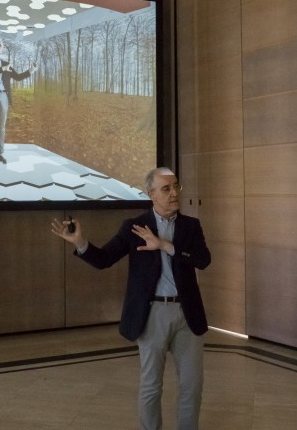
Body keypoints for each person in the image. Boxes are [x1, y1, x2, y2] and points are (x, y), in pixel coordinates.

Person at [51, 167, 211, 430]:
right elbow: (104, 259)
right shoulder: (135, 227)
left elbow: (203, 260)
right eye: (166, 189)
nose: (174, 193)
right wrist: (81, 243)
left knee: (192, 386)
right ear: (151, 194)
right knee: (151, 385)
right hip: (152, 313)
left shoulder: (191, 226)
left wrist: (165, 245)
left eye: (176, 187)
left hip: (187, 314)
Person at [0, 39, 36, 165]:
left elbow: (17, 77)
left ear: (2, 48)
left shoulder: (6, 64)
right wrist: (2, 69)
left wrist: (30, 71)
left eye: (0, 45)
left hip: (4, 97)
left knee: (1, 128)